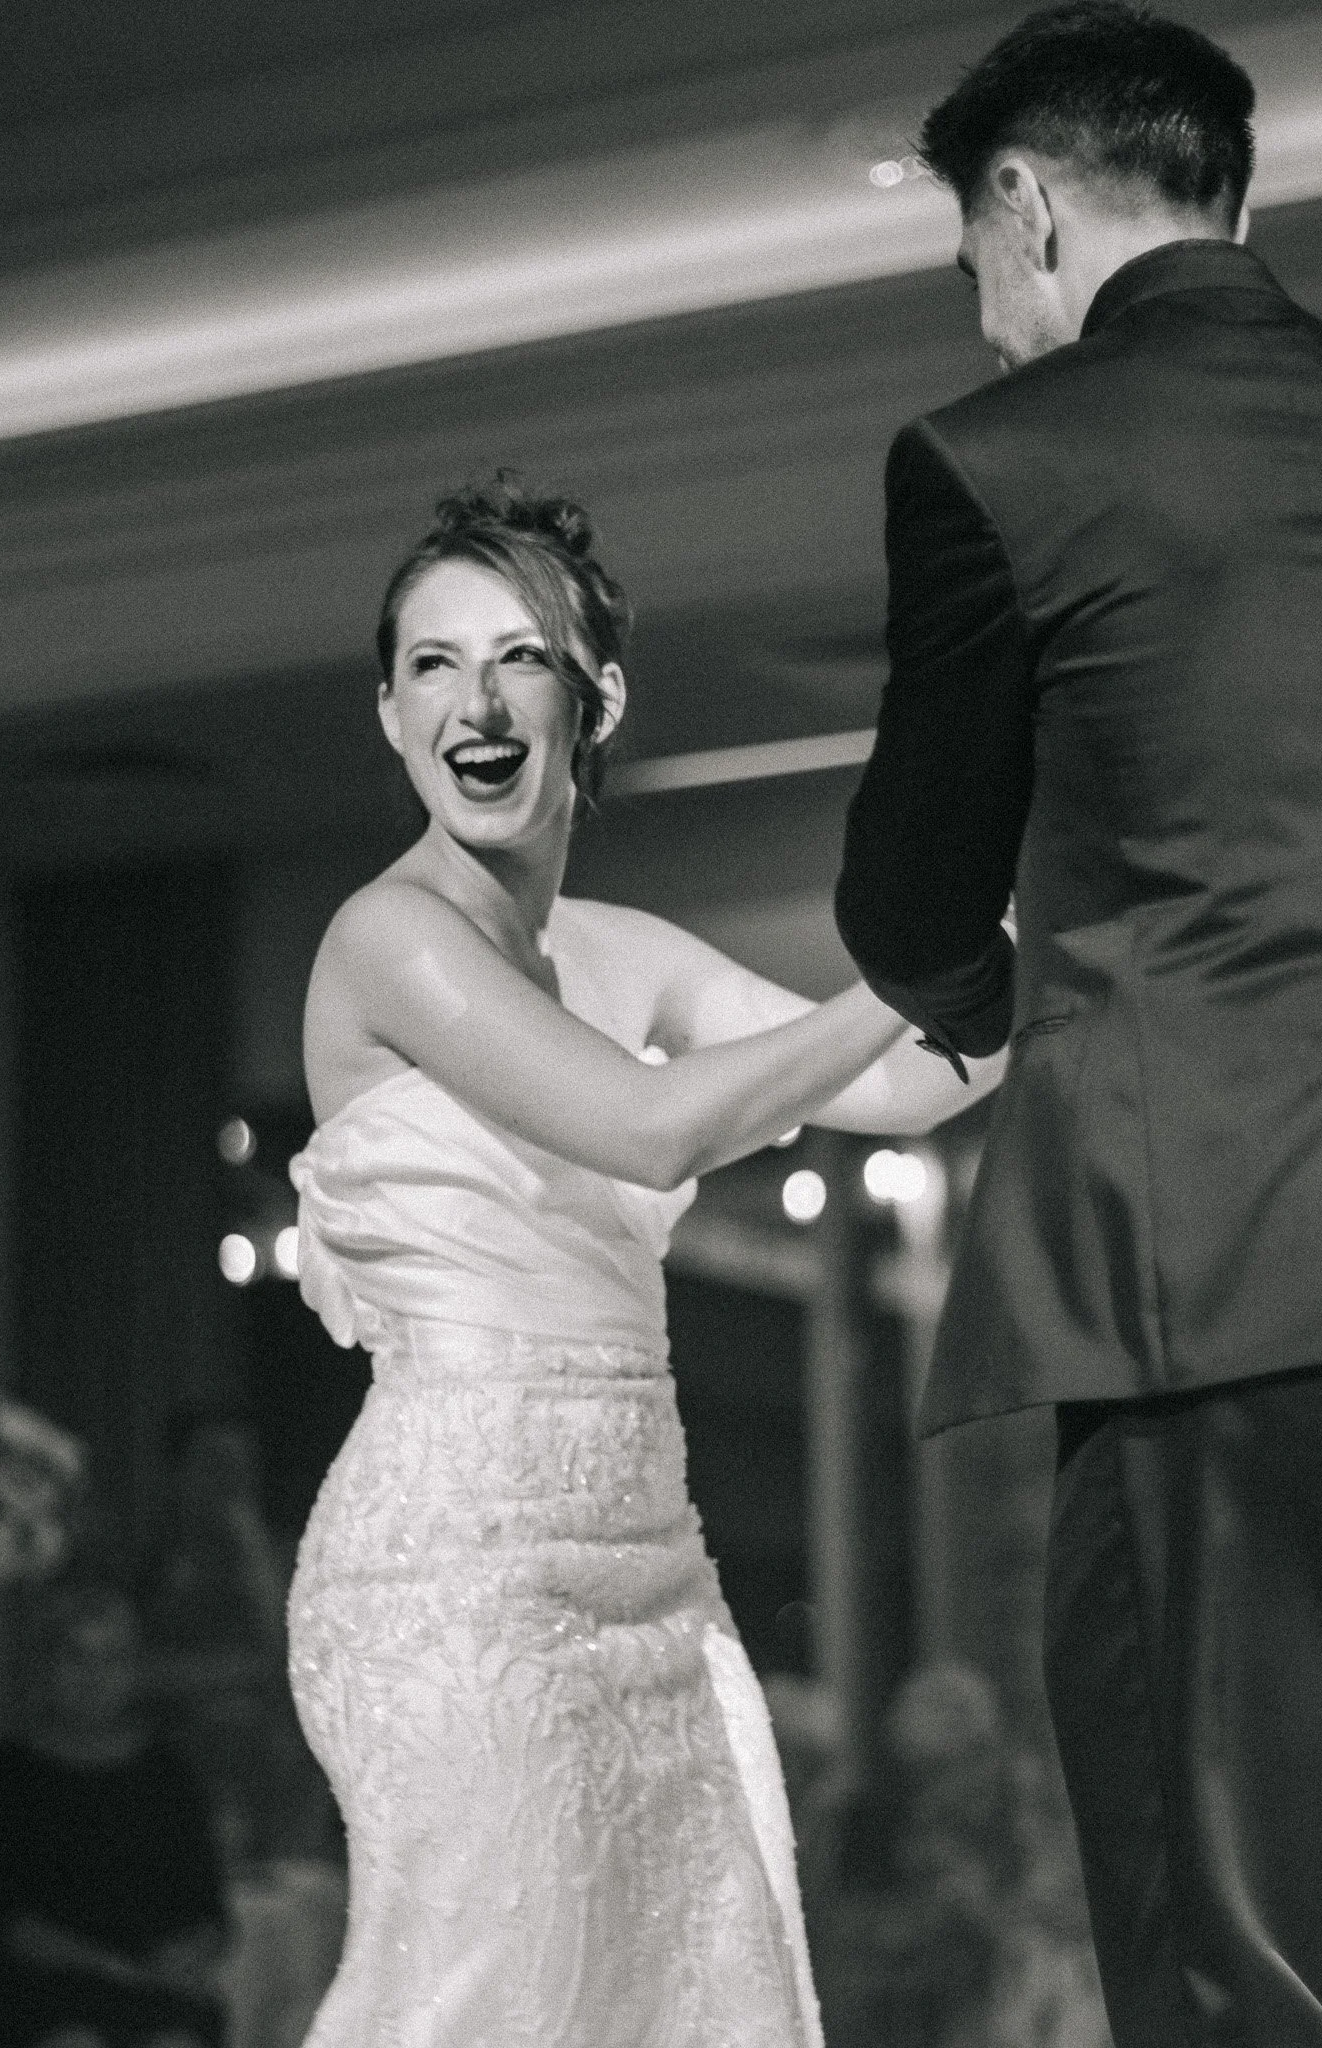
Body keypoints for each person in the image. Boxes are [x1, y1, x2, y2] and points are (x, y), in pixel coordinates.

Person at [285, 473, 1004, 2046]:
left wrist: (1051, 935)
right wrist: (922, 976)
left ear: (594, 698)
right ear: (391, 716)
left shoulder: (618, 951)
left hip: (649, 1571)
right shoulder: (388, 940)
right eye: (432, 664)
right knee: (488, 2002)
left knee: (680, 1997)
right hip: (454, 1571)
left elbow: (896, 1084)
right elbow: (655, 1129)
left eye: (518, 658)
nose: (475, 700)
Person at [832, 6, 1322, 2043]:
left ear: (1029, 206)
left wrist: (996, 1013)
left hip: (1209, 1283)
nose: (984, 315)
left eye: (976, 255)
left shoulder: (1001, 457)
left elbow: (904, 892)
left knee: (1231, 1946)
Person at [0, 1581, 230, 2048]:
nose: (93, 1676)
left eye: (111, 1659)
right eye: (76, 1657)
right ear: (46, 1665)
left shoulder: (168, 1773)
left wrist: (185, 1957)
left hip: (155, 1992)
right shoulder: (3, 1772)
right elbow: (1, 1914)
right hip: (38, 1993)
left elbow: (207, 1904)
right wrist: (105, 1966)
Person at [136, 1406, 337, 1868]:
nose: (228, 1482)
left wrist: (254, 1562)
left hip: (269, 1769)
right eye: (213, 1465)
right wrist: (220, 1674)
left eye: (240, 1466)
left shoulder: (288, 1558)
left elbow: (296, 1665)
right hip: (166, 1756)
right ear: (179, 1471)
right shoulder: (147, 1559)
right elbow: (119, 1669)